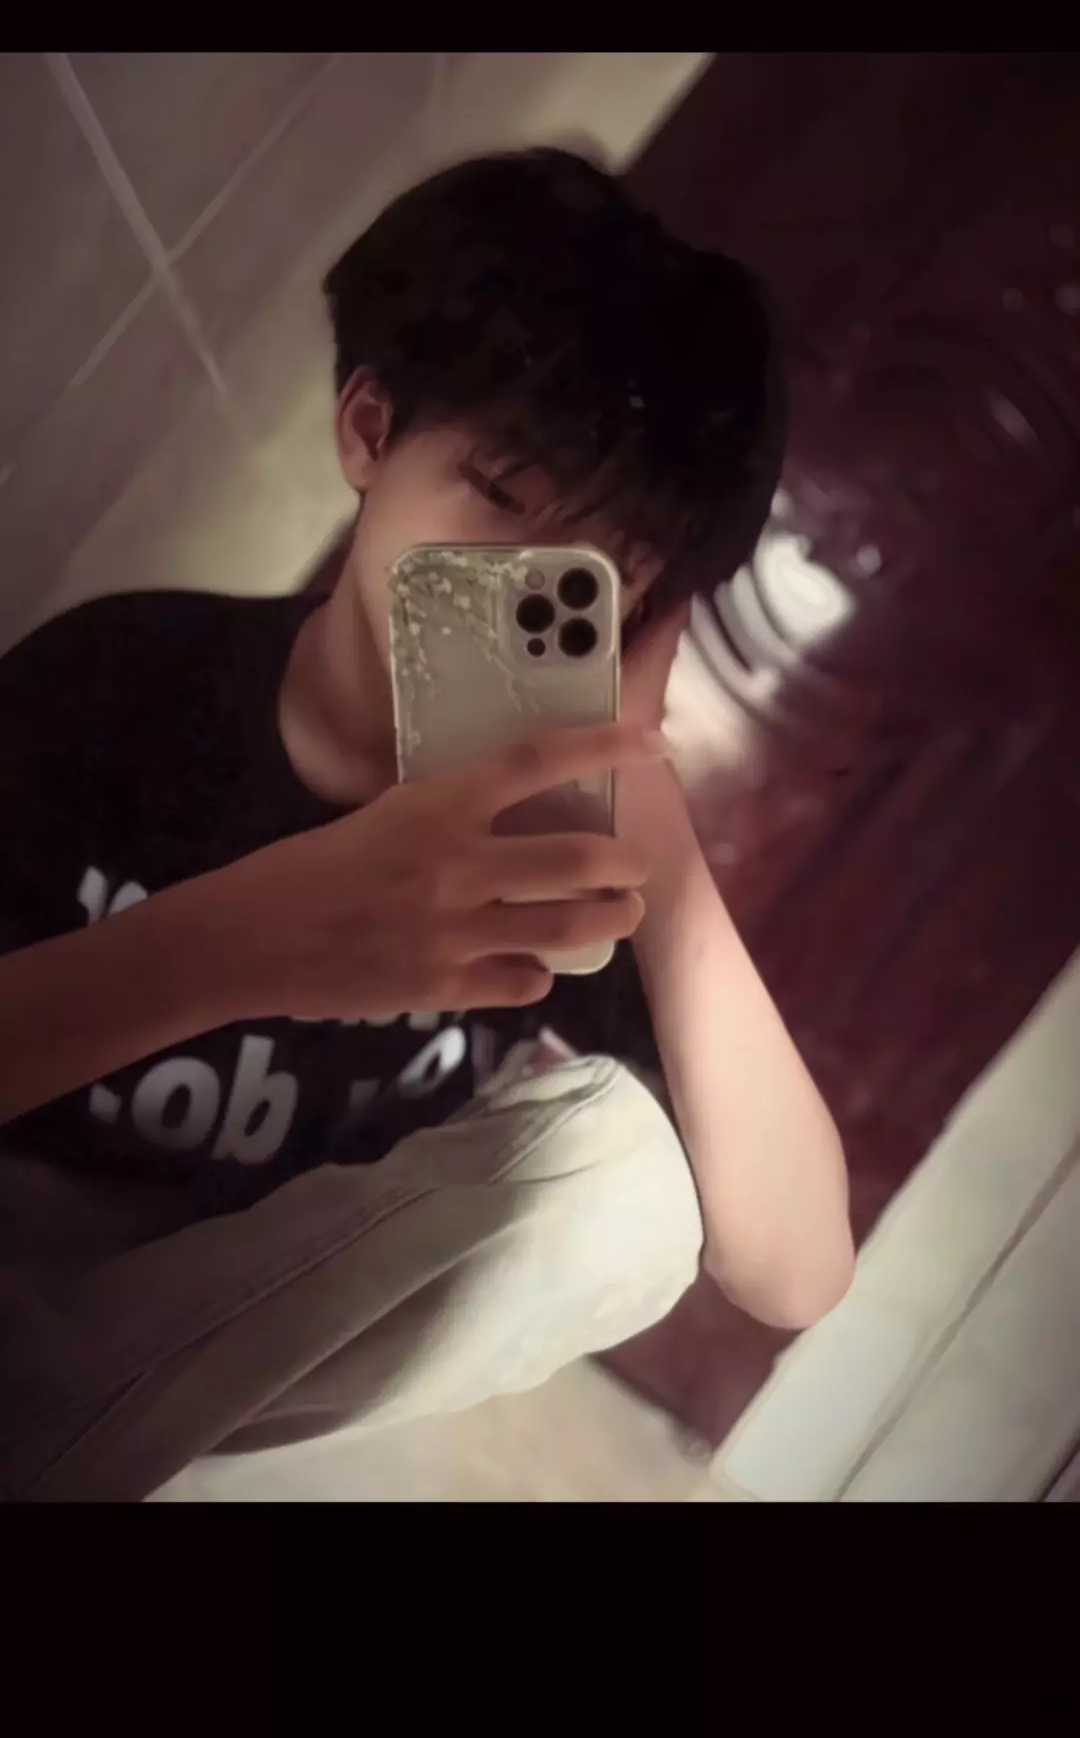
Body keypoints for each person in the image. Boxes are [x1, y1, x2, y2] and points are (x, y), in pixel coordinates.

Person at [0, 149, 853, 1482]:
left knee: (631, 1186)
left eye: (598, 571)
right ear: (369, 431)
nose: (518, 583)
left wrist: (646, 802)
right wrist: (259, 939)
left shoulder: (553, 850)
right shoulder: (128, 684)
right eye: (500, 494)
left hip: (212, 1339)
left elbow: (791, 1268)